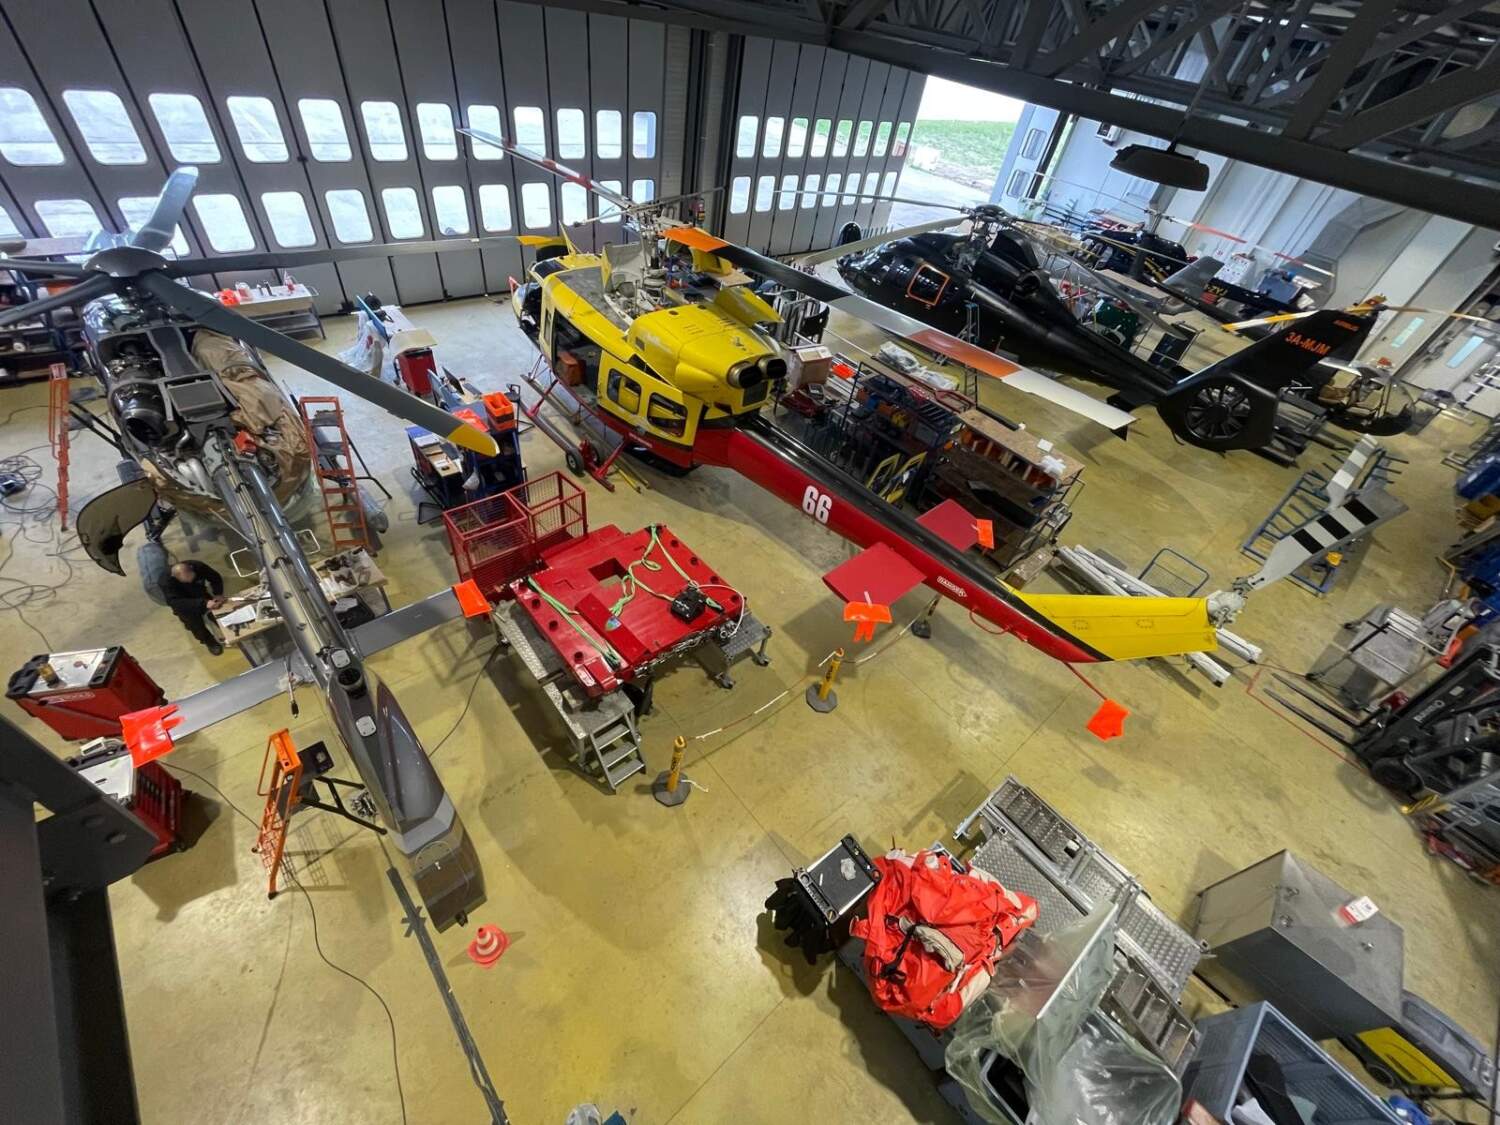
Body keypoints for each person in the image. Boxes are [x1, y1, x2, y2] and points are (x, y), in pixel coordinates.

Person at [159, 559, 227, 655]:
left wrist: (218, 593)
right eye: (186, 580)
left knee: (218, 614)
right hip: (183, 603)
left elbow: (215, 577)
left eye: (192, 578)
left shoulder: (198, 566)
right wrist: (203, 603)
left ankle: (228, 632)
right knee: (196, 626)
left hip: (200, 593)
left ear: (191, 569)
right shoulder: (165, 581)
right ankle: (210, 642)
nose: (190, 581)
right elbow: (174, 602)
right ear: (175, 577)